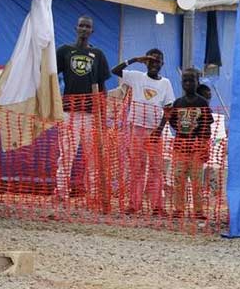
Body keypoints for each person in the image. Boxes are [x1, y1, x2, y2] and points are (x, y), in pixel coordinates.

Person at [111, 49, 175, 215]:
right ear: (146, 62)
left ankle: (157, 206)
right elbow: (115, 71)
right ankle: (134, 204)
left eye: (158, 61)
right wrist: (134, 59)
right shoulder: (137, 76)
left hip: (155, 132)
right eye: (151, 60)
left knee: (155, 169)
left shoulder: (166, 83)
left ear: (162, 64)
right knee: (137, 168)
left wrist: (159, 131)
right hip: (137, 128)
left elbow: (169, 109)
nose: (154, 63)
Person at [55, 15, 111, 201]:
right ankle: (61, 193)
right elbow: (49, 74)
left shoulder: (99, 55)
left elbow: (102, 86)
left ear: (92, 31)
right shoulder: (64, 51)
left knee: (93, 157)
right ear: (76, 28)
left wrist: (102, 113)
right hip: (68, 111)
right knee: (66, 154)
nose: (84, 29)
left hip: (91, 113)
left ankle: (93, 194)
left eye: (88, 26)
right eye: (81, 26)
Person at [157, 68, 213, 220]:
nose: (188, 83)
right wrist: (169, 118)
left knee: (196, 180)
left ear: (197, 82)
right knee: (178, 178)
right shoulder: (178, 102)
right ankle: (179, 209)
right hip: (180, 147)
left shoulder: (202, 102)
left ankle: (198, 211)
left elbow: (207, 125)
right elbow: (174, 123)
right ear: (182, 83)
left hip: (196, 148)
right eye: (185, 81)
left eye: (191, 80)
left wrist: (204, 145)